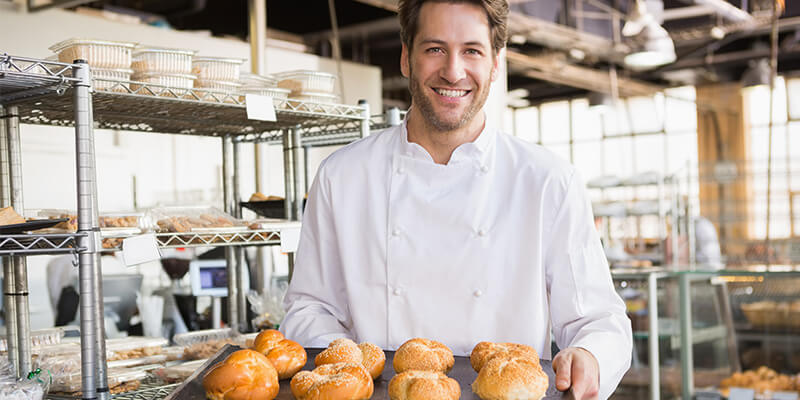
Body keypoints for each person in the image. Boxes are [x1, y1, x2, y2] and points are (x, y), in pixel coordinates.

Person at [280, 0, 632, 398]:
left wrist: (589, 354)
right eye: (434, 49)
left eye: (472, 50)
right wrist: (348, 372)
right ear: (405, 58)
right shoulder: (342, 176)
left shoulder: (548, 180)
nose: (453, 70)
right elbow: (310, 308)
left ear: (495, 63)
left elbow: (599, 318)